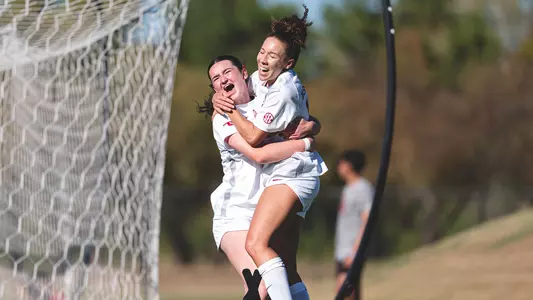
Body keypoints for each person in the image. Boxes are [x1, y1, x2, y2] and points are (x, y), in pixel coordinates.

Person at [212, 6, 328, 300]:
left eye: (272, 55)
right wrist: (310, 132)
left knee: (258, 247)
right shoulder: (257, 84)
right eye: (262, 51)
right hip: (240, 207)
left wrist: (310, 133)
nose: (263, 58)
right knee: (284, 267)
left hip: (291, 174)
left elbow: (255, 140)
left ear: (287, 63)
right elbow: (297, 124)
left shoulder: (280, 90)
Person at [334, 150, 375, 299]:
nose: (338, 167)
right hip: (342, 251)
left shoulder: (362, 188)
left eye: (341, 163)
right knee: (348, 293)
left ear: (349, 165)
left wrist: (355, 251)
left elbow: (367, 220)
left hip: (351, 252)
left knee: (344, 292)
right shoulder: (348, 188)